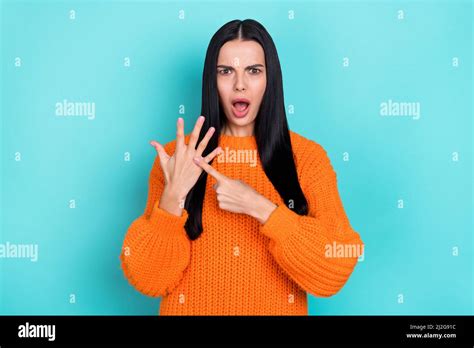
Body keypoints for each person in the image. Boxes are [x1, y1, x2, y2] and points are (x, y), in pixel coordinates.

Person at [120, 19, 364, 315]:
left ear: (269, 79)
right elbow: (150, 280)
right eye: (226, 71)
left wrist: (261, 208)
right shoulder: (178, 158)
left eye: (253, 71)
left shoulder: (308, 159)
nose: (240, 84)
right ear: (212, 80)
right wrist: (173, 197)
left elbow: (334, 270)